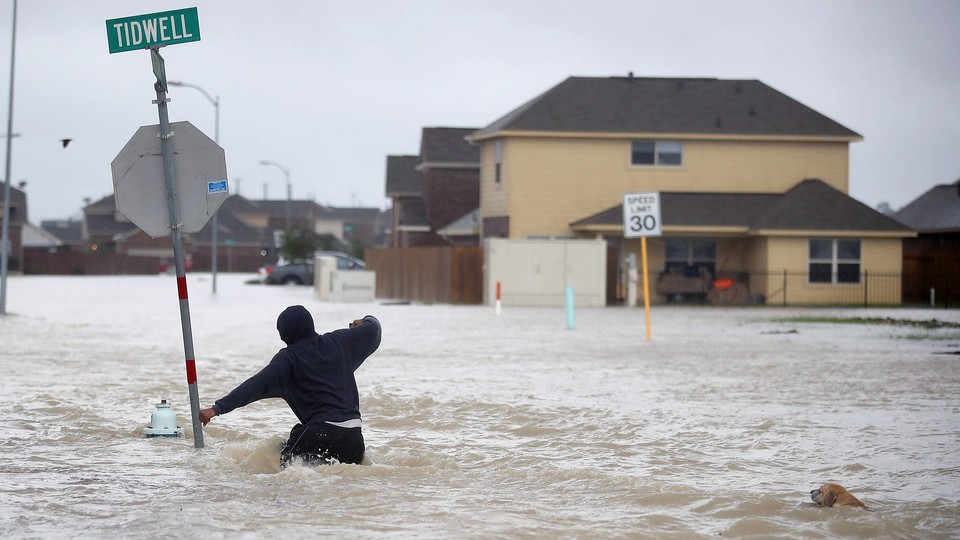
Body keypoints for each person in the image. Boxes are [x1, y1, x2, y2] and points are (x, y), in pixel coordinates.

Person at [199, 305, 381, 466]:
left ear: (283, 335)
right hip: (355, 442)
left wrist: (217, 408)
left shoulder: (288, 360)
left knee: (285, 470)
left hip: (320, 434)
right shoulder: (340, 342)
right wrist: (366, 319)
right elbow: (374, 329)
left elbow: (255, 385)